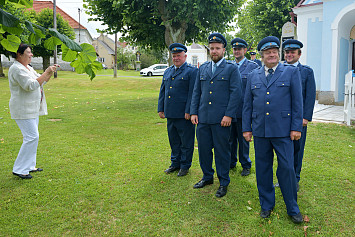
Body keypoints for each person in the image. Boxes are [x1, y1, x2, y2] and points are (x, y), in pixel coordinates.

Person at [242, 36, 304, 223]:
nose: (272, 55)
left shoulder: (291, 72)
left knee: (286, 169)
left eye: (274, 52)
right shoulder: (253, 75)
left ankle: (292, 207)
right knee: (263, 169)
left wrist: (296, 127)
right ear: (262, 55)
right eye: (268, 52)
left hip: (284, 131)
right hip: (260, 131)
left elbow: (297, 103)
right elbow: (247, 105)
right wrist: (246, 128)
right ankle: (266, 205)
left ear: (278, 53)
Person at [190, 33, 242, 198]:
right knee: (204, 150)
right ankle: (207, 177)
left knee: (222, 152)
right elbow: (196, 92)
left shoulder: (231, 68)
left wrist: (229, 115)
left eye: (217, 48)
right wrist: (193, 112)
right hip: (203, 118)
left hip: (222, 121)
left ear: (223, 50)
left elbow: (236, 93)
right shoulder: (203, 68)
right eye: (211, 48)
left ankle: (223, 182)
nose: (214, 51)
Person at [8, 44, 59, 179]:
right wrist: (46, 71)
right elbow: (30, 85)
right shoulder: (16, 69)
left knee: (32, 137)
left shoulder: (28, 68)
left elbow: (41, 82)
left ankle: (29, 166)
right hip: (22, 109)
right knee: (32, 137)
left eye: (31, 52)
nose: (31, 55)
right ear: (19, 54)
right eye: (28, 52)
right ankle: (19, 169)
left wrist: (49, 72)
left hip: (32, 108)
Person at [158, 43, 198, 177]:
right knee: (174, 140)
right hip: (170, 112)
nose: (176, 58)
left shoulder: (192, 71)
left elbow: (193, 93)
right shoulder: (168, 71)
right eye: (174, 56)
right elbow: (163, 91)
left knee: (186, 141)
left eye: (178, 56)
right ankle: (175, 163)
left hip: (184, 114)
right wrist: (161, 108)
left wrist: (189, 111)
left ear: (185, 56)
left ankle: (185, 165)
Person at [283, 39, 316, 191]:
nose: (289, 55)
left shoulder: (306, 72)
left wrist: (305, 117)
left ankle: (295, 178)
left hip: (298, 119)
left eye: (292, 52)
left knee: (297, 149)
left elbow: (309, 97)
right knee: (284, 150)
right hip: (282, 118)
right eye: (287, 52)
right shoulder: (279, 69)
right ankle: (284, 177)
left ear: (299, 54)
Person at [229, 38, 259, 176]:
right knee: (230, 139)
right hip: (230, 110)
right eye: (235, 49)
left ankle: (246, 164)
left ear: (245, 50)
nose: (237, 51)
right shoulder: (229, 66)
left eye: (239, 49)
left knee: (243, 140)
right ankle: (231, 161)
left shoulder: (253, 67)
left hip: (244, 110)